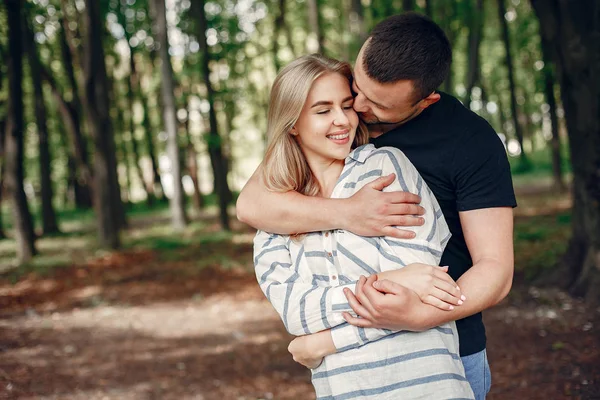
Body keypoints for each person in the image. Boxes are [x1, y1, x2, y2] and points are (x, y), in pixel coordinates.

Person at [238, 13, 516, 400]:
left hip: (442, 353)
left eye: (375, 104)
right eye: (357, 88)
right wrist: (349, 213)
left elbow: (496, 269)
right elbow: (252, 204)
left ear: (425, 100)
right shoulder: (334, 125)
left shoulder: (468, 143)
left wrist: (419, 315)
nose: (357, 108)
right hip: (348, 377)